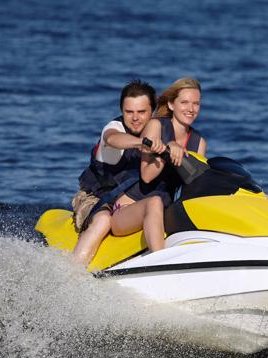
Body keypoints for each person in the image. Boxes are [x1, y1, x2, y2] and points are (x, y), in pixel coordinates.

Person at [72, 80, 166, 266]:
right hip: (95, 199)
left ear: (153, 112)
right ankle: (70, 274)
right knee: (103, 221)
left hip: (132, 202)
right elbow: (113, 139)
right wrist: (142, 143)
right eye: (128, 112)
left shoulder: (161, 130)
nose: (135, 118)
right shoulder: (114, 128)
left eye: (141, 112)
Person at [139, 77, 207, 206]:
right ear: (171, 104)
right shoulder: (156, 126)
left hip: (174, 207)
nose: (191, 109)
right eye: (184, 102)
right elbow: (146, 177)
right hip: (143, 200)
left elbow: (194, 186)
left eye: (196, 103)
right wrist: (167, 150)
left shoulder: (200, 142)